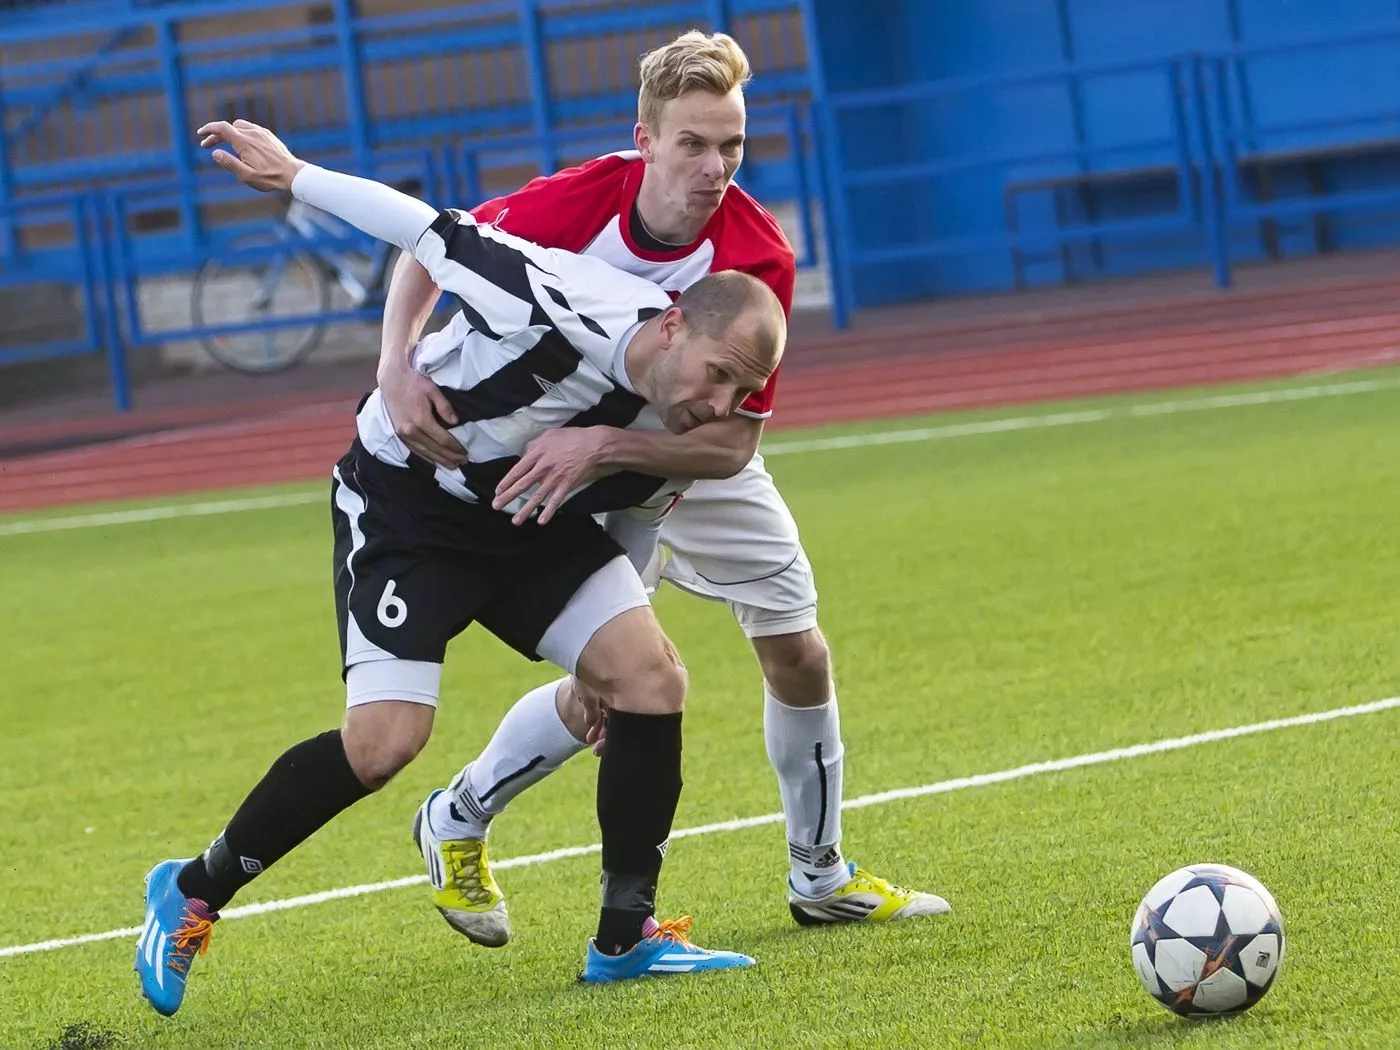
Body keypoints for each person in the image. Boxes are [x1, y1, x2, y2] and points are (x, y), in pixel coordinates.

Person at [134, 117, 787, 1017]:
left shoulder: (671, 423)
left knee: (650, 680)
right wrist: (295, 176)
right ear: (672, 325)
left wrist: (605, 659)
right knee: (384, 745)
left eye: (741, 392)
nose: (720, 404)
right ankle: (193, 890)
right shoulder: (558, 294)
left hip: (527, 520)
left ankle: (624, 937)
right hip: (409, 507)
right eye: (717, 375)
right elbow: (423, 228)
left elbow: (638, 515)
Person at [385, 30, 950, 946]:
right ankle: (457, 814)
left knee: (799, 651)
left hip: (683, 453)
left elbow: (732, 441)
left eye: (732, 145)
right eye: (694, 143)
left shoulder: (758, 254)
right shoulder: (578, 201)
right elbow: (427, 247)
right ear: (645, 140)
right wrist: (397, 368)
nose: (716, 167)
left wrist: (608, 444)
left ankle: (820, 875)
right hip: (563, 457)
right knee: (609, 693)